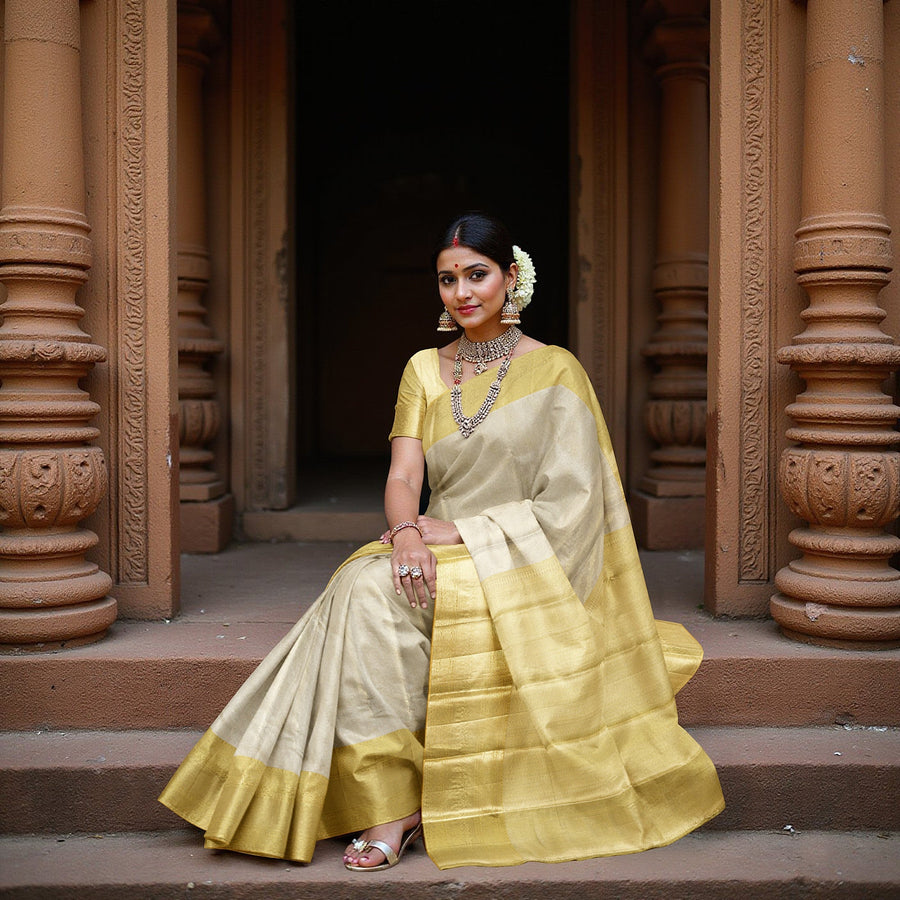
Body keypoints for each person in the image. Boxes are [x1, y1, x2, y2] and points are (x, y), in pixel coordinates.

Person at [159, 211, 724, 872]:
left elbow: (575, 508)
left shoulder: (556, 374)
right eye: (447, 279)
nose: (462, 293)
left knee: (366, 592)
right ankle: (390, 799)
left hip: (523, 560)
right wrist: (405, 535)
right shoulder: (425, 370)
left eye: (477, 275)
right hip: (430, 545)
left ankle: (389, 807)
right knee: (363, 583)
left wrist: (463, 530)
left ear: (510, 278)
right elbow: (403, 475)